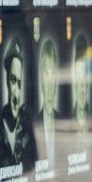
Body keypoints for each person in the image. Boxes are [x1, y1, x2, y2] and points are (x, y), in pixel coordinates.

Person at [0, 39, 36, 171]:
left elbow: (32, 164)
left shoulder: (25, 125)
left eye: (19, 84)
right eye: (13, 80)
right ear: (6, 80)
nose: (16, 93)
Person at [37, 37, 59, 165]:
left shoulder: (62, 119)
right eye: (46, 74)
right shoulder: (36, 121)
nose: (50, 82)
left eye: (53, 74)